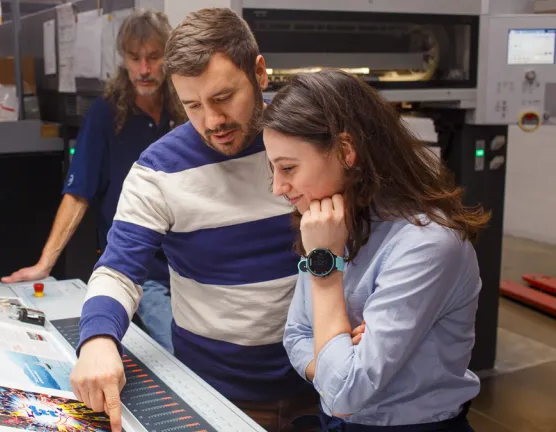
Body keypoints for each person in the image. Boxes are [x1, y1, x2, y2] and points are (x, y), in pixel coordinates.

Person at [69, 8, 330, 432]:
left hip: (323, 391)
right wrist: (98, 340)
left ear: (259, 73)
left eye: (223, 98)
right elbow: (118, 271)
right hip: (215, 398)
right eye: (192, 105)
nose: (212, 122)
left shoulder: (312, 143)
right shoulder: (158, 171)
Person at [264, 70, 485, 431]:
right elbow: (297, 336)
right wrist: (340, 363)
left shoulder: (427, 244)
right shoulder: (332, 223)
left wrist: (326, 272)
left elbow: (343, 393)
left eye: (288, 167)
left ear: (346, 151)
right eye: (273, 168)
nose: (278, 187)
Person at [1, 9, 186, 353]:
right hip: (142, 269)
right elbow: (78, 193)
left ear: (168, 57)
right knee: (181, 352)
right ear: (123, 59)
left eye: (154, 57)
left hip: (189, 265)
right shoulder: (107, 114)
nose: (144, 69)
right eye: (135, 58)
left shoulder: (184, 108)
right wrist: (45, 264)